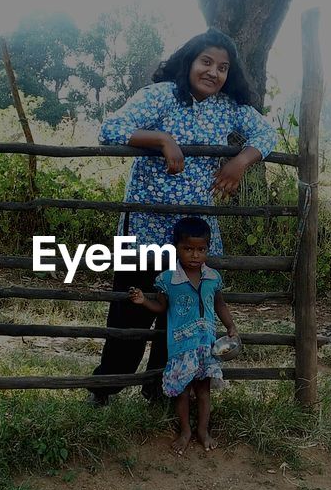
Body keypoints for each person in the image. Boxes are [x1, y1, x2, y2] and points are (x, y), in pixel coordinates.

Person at [90, 28, 276, 403]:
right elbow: (110, 129)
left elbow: (266, 133)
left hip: (193, 236)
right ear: (189, 61)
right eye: (206, 62)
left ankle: (159, 390)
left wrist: (240, 161)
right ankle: (104, 390)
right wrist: (161, 139)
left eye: (223, 67)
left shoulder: (228, 108)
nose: (213, 72)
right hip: (144, 228)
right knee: (131, 312)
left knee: (181, 315)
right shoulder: (161, 97)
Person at [129, 217, 236, 454]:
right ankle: (186, 430)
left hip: (206, 347)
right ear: (176, 248)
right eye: (188, 249)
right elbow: (161, 308)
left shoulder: (212, 278)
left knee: (204, 392)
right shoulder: (168, 280)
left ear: (208, 248)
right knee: (183, 392)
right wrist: (144, 301)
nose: (195, 255)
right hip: (180, 347)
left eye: (201, 249)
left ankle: (203, 431)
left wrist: (230, 326)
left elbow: (220, 305)